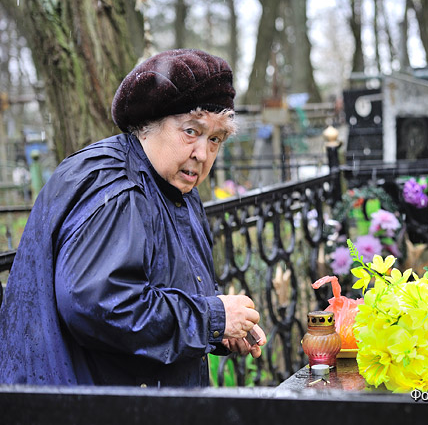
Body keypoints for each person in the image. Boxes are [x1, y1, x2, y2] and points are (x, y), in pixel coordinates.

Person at [0, 49, 266, 386]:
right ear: (148, 124)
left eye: (215, 139)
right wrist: (210, 317)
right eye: (191, 131)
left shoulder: (174, 187)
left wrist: (219, 330)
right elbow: (100, 307)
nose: (202, 153)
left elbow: (162, 292)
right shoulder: (118, 188)